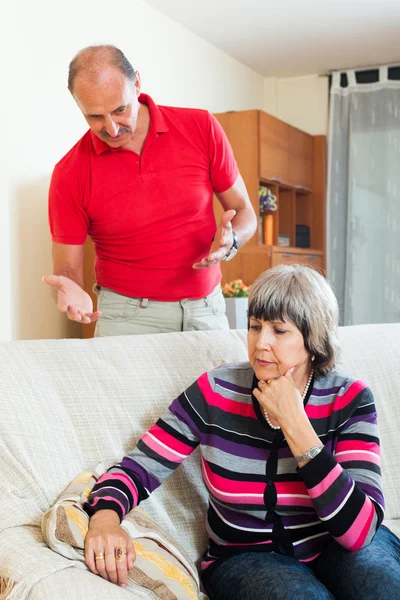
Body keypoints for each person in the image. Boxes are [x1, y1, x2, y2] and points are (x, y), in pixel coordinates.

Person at [81, 264, 400, 599]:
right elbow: (140, 467)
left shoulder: (350, 399)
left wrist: (296, 424)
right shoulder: (215, 391)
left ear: (313, 339)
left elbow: (358, 533)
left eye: (279, 331)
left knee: (383, 588)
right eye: (254, 326)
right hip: (247, 558)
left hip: (338, 546)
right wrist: (105, 519)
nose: (261, 343)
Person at [43, 44, 257, 337]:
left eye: (120, 110)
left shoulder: (200, 127)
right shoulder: (70, 173)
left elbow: (245, 212)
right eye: (94, 117)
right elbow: (66, 270)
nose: (112, 129)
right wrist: (71, 294)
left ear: (137, 84)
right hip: (126, 318)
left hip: (207, 310)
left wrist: (233, 239)